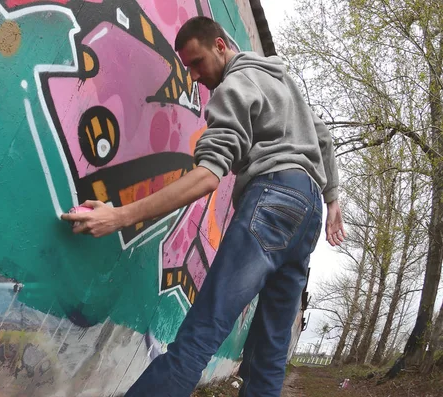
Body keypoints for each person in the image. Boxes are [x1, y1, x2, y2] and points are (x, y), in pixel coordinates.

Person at [61, 16, 346, 397]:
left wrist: (118, 215)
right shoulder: (281, 82)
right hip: (306, 212)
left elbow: (208, 176)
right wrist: (332, 200)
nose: (194, 76)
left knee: (199, 335)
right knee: (270, 356)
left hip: (273, 198)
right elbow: (323, 139)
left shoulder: (236, 85)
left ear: (221, 46)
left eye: (197, 63)